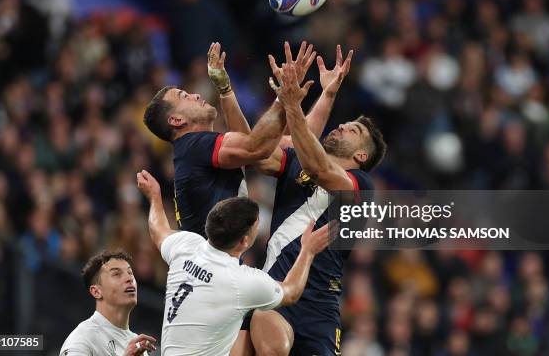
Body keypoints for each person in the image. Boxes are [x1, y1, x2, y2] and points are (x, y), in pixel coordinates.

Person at [249, 62, 387, 355]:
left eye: (353, 130)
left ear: (361, 155)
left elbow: (318, 168)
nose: (340, 126)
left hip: (320, 306)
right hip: (277, 289)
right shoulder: (296, 162)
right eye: (343, 123)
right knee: (268, 337)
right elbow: (257, 153)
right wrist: (294, 99)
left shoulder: (361, 185)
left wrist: (294, 106)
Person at [135, 168, 332, 356]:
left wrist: (154, 196)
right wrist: (308, 250)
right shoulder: (241, 281)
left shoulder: (186, 246)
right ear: (244, 241)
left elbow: (158, 230)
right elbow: (291, 292)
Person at [142, 41, 317, 237]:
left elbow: (249, 147)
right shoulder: (193, 146)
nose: (196, 95)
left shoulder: (193, 150)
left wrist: (225, 89)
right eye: (184, 96)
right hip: (212, 263)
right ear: (176, 120)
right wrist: (284, 95)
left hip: (214, 262)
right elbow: (256, 148)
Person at [59, 250, 156, 355]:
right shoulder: (83, 337)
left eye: (130, 273)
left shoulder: (137, 343)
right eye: (117, 274)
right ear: (96, 291)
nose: (129, 278)